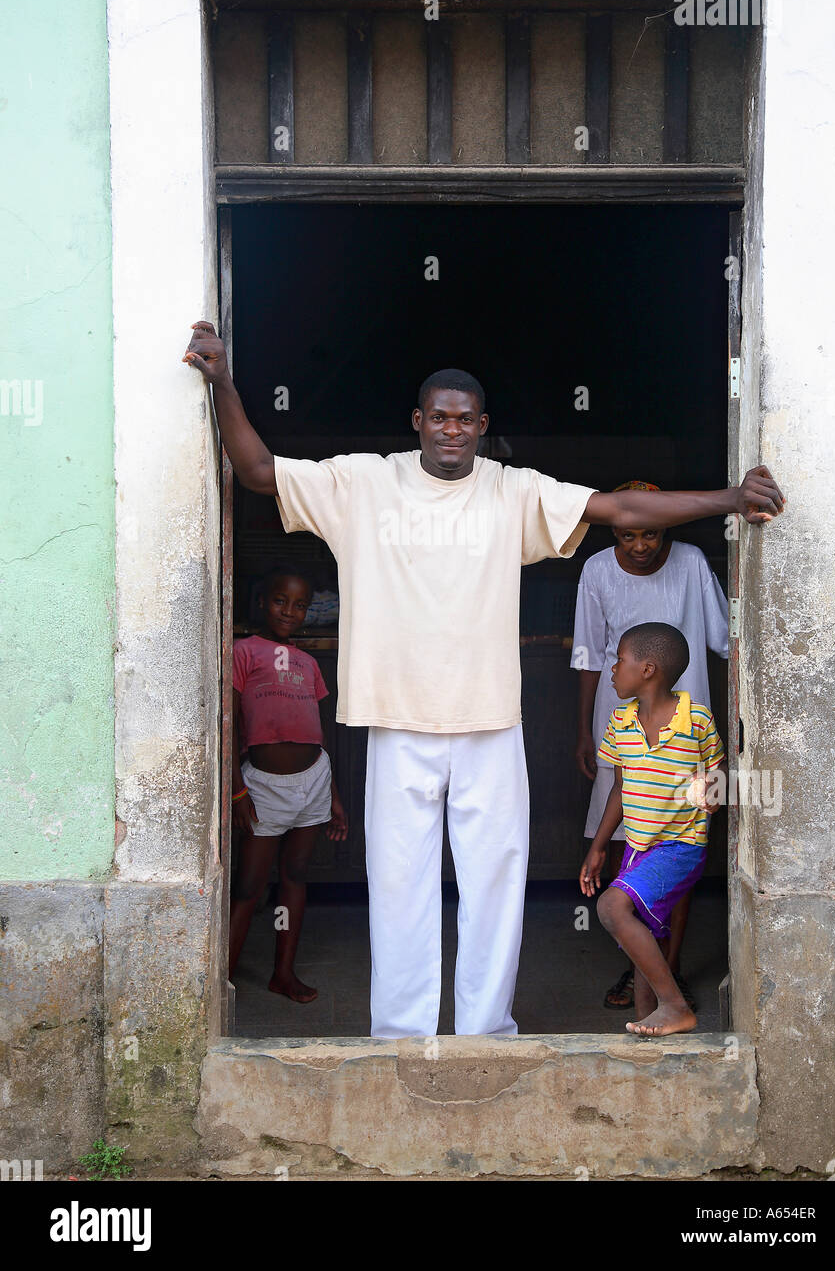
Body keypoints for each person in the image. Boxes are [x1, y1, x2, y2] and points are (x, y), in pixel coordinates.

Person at [183, 319, 784, 1039]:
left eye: (465, 420)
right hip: (396, 721)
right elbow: (258, 472)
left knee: (495, 886)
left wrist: (727, 498)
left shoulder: (512, 492)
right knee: (399, 888)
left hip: (491, 724)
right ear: (418, 421)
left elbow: (618, 509)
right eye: (438, 417)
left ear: (482, 427)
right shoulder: (363, 482)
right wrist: (223, 382)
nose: (451, 430)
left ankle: (484, 1034)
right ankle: (402, 1039)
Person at [571, 481, 728, 1011]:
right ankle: (641, 965)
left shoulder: (690, 561)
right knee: (628, 840)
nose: (641, 545)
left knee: (678, 841)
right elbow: (592, 656)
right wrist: (581, 731)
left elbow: (727, 639)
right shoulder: (595, 570)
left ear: (669, 526)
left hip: (682, 728)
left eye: (652, 533)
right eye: (628, 534)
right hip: (621, 719)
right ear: (613, 528)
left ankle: (673, 969)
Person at [579, 622, 727, 1036]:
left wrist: (710, 791)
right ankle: (651, 1028)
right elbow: (619, 789)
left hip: (680, 846)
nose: (612, 669)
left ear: (648, 669)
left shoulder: (695, 718)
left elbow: (717, 771)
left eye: (619, 660)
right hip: (637, 848)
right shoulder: (620, 722)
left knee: (611, 908)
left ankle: (675, 1005)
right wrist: (599, 846)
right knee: (640, 938)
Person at [230, 566, 348, 1003]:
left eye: (300, 605)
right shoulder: (243, 652)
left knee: (294, 877)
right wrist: (237, 790)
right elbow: (229, 726)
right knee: (248, 887)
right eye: (281, 601)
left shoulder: (308, 662)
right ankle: (221, 979)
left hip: (314, 779)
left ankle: (283, 972)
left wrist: (333, 796)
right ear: (263, 602)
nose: (289, 611)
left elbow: (319, 733)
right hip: (262, 787)